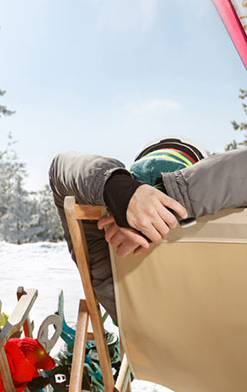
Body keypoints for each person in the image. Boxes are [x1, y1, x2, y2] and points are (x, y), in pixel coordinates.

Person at [49, 137, 247, 321]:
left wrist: (120, 191)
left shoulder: (111, 274)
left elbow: (60, 168)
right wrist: (178, 197)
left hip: (144, 345)